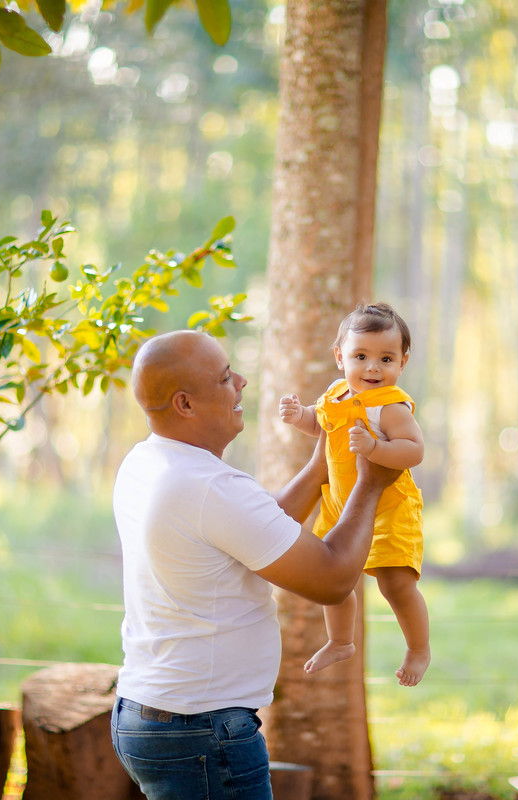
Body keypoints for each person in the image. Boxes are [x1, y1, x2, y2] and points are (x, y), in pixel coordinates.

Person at [110, 329, 401, 800]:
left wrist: (323, 464)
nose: (242, 381)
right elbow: (332, 579)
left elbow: (258, 530)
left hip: (147, 713)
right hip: (200, 729)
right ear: (185, 404)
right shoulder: (209, 487)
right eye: (225, 377)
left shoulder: (145, 461)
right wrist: (371, 482)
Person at [278, 302, 431, 687]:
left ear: (402, 363)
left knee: (395, 584)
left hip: (390, 509)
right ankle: (340, 641)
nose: (373, 368)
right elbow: (321, 425)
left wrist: (376, 449)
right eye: (360, 356)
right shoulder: (336, 393)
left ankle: (418, 649)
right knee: (334, 578)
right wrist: (300, 417)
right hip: (339, 504)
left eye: (386, 358)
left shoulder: (390, 407)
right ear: (339, 357)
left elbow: (414, 450)